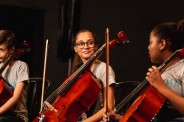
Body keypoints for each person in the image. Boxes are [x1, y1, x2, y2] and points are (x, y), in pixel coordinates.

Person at [103, 18, 184, 122]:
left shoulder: (181, 67)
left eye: (151, 42)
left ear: (162, 44)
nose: (148, 47)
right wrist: (121, 119)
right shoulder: (160, 71)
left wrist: (162, 87)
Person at [71, 29, 116, 122]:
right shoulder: (77, 73)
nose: (85, 46)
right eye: (80, 44)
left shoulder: (104, 69)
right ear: (75, 48)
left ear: (96, 47)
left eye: (90, 43)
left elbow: (109, 108)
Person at [0, 29, 29, 122]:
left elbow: (15, 98)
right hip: (3, 114)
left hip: (18, 116)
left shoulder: (21, 66)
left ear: (12, 49)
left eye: (1, 50)